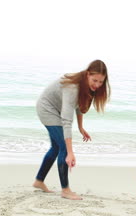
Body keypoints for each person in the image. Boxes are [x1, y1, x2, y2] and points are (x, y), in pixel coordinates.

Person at [33, 60, 110, 200]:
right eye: (95, 80)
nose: (97, 85)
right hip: (47, 109)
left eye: (100, 82)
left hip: (56, 109)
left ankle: (39, 181)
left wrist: (81, 127)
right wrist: (70, 152)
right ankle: (65, 190)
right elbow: (66, 121)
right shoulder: (73, 88)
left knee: (56, 147)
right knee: (62, 147)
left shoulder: (86, 86)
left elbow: (79, 106)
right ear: (87, 74)